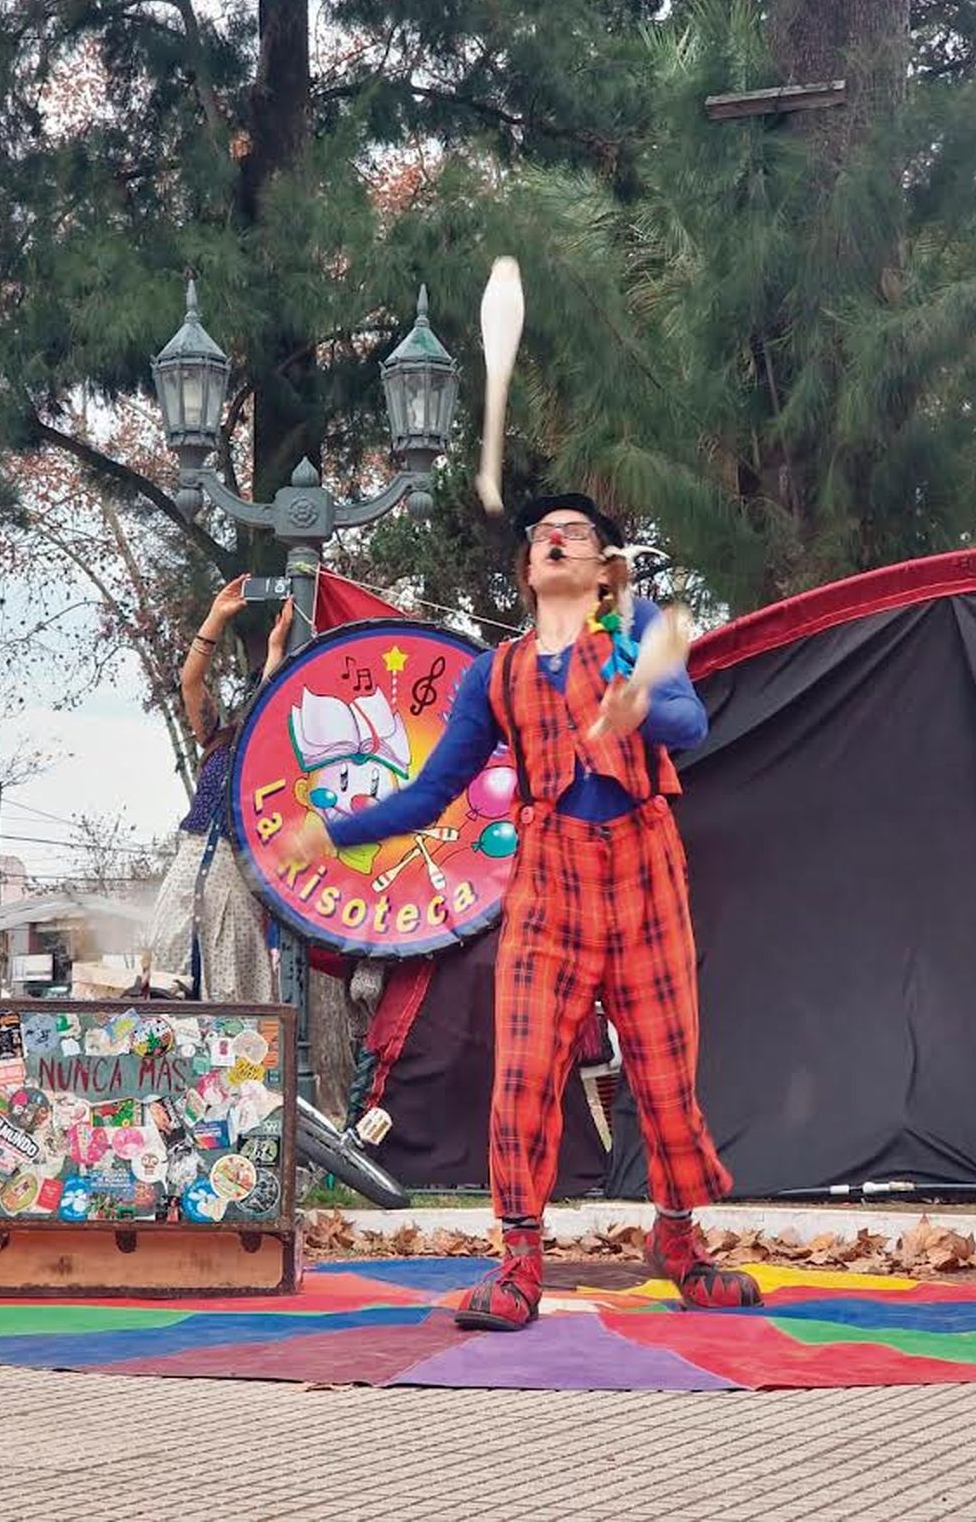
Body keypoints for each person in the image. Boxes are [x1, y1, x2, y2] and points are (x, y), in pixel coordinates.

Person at [283, 494, 761, 1328]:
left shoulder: (639, 627)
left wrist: (636, 699)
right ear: (529, 567)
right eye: (544, 534)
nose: (556, 539)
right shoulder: (495, 673)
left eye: (576, 532)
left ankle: (680, 1240)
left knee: (664, 1068)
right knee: (525, 1072)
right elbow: (433, 791)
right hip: (549, 875)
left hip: (644, 863)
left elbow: (688, 720)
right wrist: (334, 830)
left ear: (605, 565)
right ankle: (518, 1262)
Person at [145, 576, 292, 1003]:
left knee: (230, 1000)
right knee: (168, 995)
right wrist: (216, 617)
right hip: (184, 881)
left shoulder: (272, 764)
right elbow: (190, 683)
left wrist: (277, 649)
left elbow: (269, 706)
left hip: (236, 887)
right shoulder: (215, 742)